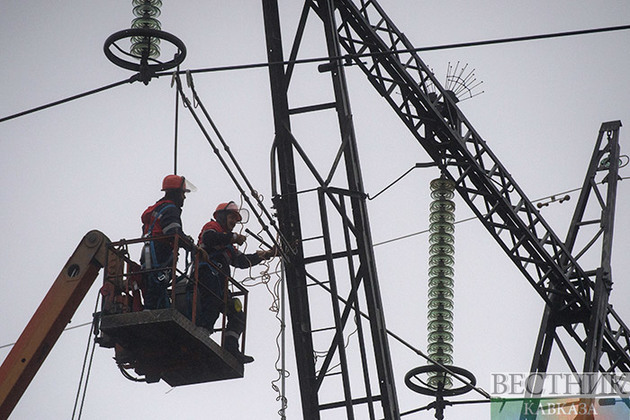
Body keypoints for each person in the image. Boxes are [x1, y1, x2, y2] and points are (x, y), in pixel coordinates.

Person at [194, 201, 276, 364]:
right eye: (232, 217)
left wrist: (265, 255)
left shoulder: (228, 245)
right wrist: (233, 237)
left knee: (237, 313)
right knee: (213, 302)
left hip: (219, 281)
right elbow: (209, 238)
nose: (234, 222)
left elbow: (241, 261)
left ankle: (231, 348)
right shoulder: (212, 227)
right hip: (205, 275)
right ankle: (201, 334)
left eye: (236, 219)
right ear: (222, 216)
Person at [140, 174, 195, 309]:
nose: (184, 197)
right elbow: (173, 232)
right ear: (176, 193)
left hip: (149, 252)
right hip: (160, 253)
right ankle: (150, 312)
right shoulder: (170, 210)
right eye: (183, 193)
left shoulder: (157, 208)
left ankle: (152, 309)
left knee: (153, 284)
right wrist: (191, 246)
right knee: (158, 283)